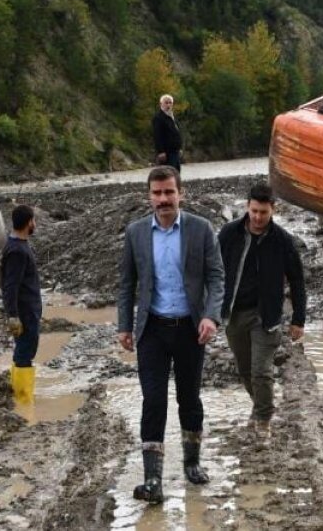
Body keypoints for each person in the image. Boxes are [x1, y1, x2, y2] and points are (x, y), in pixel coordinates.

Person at [117, 166, 223, 504]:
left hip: (191, 330)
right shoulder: (135, 233)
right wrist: (123, 325)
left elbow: (216, 277)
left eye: (169, 192)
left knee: (189, 399)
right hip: (152, 329)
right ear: (148, 196)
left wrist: (211, 316)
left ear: (181, 193)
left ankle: (192, 463)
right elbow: (126, 284)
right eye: (157, 193)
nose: (163, 199)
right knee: (153, 400)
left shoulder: (200, 229)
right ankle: (153, 481)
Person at [218, 183, 306, 438]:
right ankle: (260, 406)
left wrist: (298, 319)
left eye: (263, 212)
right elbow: (213, 269)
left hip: (266, 316)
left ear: (273, 210)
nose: (258, 217)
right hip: (235, 313)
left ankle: (264, 421)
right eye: (254, 211)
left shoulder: (282, 241)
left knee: (261, 371)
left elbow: (297, 280)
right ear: (247, 207)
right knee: (245, 370)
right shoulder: (229, 234)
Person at [1, 204, 42, 403]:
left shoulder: (17, 244)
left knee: (24, 351)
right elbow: (10, 286)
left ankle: (19, 393)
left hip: (28, 309)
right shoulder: (17, 251)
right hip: (25, 311)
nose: (35, 224)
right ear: (28, 223)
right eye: (33, 220)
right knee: (25, 352)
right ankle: (23, 400)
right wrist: (13, 315)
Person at [152, 94, 182, 172]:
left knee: (176, 173)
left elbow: (177, 133)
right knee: (168, 174)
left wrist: (179, 148)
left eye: (170, 103)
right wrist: (161, 151)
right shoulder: (158, 118)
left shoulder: (172, 117)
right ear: (161, 104)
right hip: (166, 153)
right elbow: (157, 136)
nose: (168, 105)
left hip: (175, 151)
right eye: (166, 103)